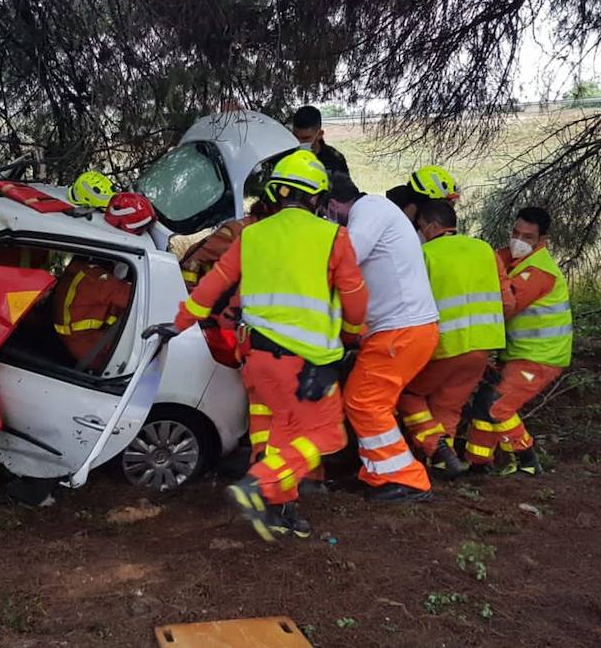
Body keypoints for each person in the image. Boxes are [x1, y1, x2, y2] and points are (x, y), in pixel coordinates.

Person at [166, 151, 368, 540]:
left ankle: (281, 508)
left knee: (271, 435)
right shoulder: (334, 237)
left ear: (277, 192)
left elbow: (211, 287)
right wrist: (353, 333)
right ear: (317, 198)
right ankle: (259, 486)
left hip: (255, 361)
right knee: (326, 435)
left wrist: (177, 324)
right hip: (305, 364)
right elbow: (355, 300)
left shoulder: (252, 235)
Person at [325, 171, 441, 501]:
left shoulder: (370, 212)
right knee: (370, 401)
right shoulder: (375, 211)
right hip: (401, 329)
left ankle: (407, 479)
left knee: (365, 401)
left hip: (401, 330)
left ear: (333, 205)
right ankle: (379, 472)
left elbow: (342, 263)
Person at [398, 198, 512, 478]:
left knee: (408, 394)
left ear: (433, 226)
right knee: (447, 406)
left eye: (421, 226)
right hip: (483, 346)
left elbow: (408, 303)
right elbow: (507, 303)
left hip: (443, 346)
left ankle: (435, 447)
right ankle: (440, 466)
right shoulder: (485, 250)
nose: (420, 231)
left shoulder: (425, 254)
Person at [464, 206, 571, 477]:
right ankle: (478, 465)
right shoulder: (510, 258)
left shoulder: (538, 272)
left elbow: (505, 306)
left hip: (540, 357)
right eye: (515, 233)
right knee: (483, 403)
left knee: (497, 406)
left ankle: (527, 461)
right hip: (520, 354)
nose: (518, 241)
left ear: (541, 240)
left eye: (527, 237)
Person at [178, 199, 277, 460]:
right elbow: (193, 262)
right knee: (231, 377)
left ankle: (244, 436)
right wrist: (194, 302)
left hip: (244, 321)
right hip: (221, 321)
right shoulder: (237, 232)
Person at [48, 193, 154, 372]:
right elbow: (138, 297)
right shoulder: (97, 279)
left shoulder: (85, 262)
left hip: (71, 340)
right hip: (90, 354)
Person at [291, 105, 350, 178]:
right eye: (295, 137)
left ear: (319, 134)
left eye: (305, 138)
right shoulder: (286, 156)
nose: (299, 142)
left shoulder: (334, 160)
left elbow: (344, 187)